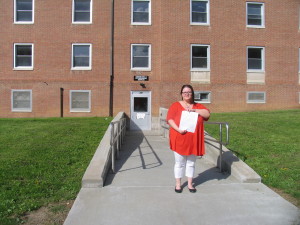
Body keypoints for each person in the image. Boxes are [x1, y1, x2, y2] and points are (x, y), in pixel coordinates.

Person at [166, 84, 210, 193]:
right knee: (179, 163)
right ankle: (178, 184)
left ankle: (190, 184)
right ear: (181, 94)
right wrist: (178, 129)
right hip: (179, 137)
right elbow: (170, 119)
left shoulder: (198, 106)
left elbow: (207, 114)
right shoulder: (175, 105)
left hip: (193, 140)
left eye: (189, 92)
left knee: (191, 163)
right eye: (184, 92)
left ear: (192, 93)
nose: (187, 94)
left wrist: (195, 110)